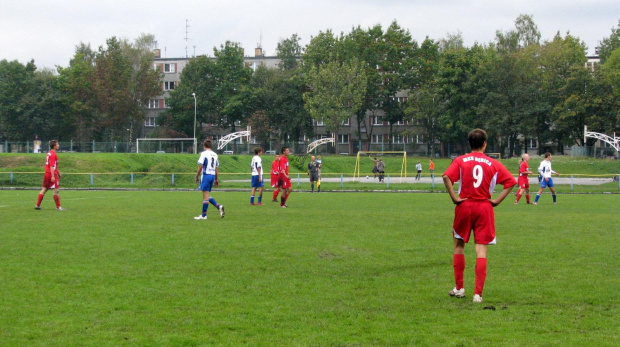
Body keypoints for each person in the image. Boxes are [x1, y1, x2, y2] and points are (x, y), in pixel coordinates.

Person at [442, 129, 516, 303]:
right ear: (484, 144)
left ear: (470, 143)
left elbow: (446, 176)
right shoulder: (493, 163)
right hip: (484, 207)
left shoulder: (460, 160)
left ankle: (459, 288)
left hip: (464, 205)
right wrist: (497, 201)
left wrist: (454, 197)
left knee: (459, 245)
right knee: (481, 250)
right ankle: (477, 294)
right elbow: (511, 182)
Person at [194, 139, 225, 220]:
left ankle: (204, 215)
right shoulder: (215, 154)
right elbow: (216, 168)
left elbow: (200, 166)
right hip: (212, 176)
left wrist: (196, 176)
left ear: (204, 146)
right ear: (211, 146)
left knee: (205, 195)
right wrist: (216, 179)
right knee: (207, 195)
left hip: (206, 175)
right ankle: (219, 207)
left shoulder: (204, 154)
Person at [35, 140, 65, 210]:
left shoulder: (49, 153)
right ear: (54, 146)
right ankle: (58, 207)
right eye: (57, 144)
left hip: (47, 173)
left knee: (44, 189)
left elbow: (52, 166)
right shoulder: (53, 155)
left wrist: (58, 172)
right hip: (51, 174)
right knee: (56, 190)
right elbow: (51, 166)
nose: (58, 145)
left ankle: (37, 205)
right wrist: (53, 176)